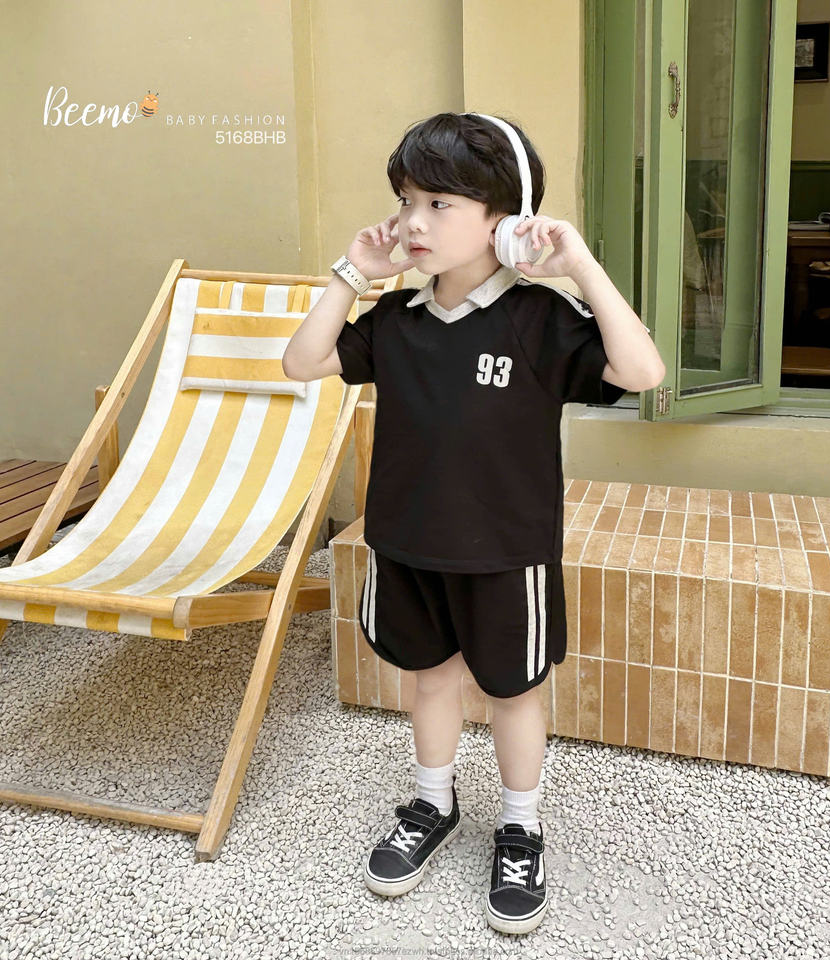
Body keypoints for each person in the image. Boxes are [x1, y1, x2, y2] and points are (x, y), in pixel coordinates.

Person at [282, 112, 665, 935]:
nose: (413, 222)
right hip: (407, 543)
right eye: (406, 200)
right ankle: (433, 803)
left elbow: (641, 370)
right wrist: (353, 272)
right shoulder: (397, 320)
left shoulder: (540, 319)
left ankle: (520, 826)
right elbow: (302, 361)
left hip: (506, 553)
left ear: (506, 219)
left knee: (514, 691)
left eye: (439, 204)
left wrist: (579, 266)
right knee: (430, 679)